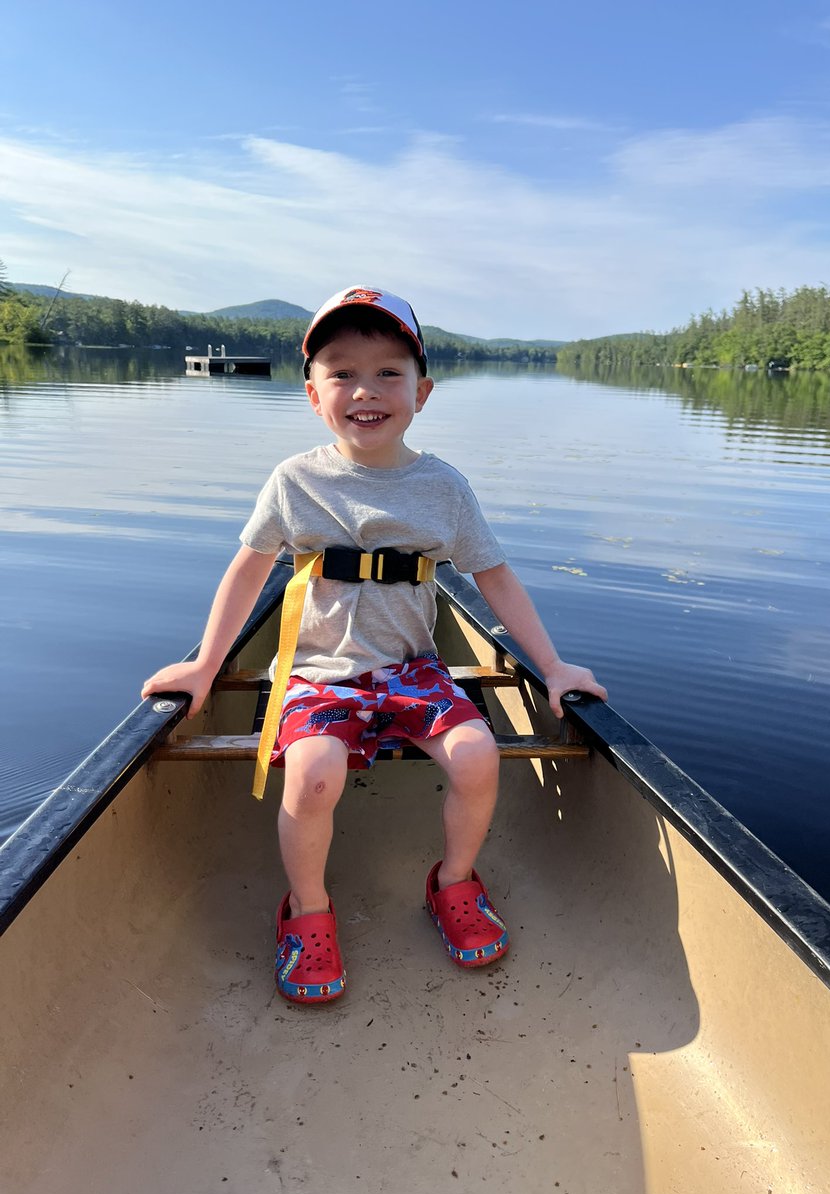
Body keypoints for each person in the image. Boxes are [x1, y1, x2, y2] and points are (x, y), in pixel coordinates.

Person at [142, 285, 607, 1005]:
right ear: (312, 393)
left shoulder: (443, 489)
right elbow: (246, 572)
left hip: (411, 668)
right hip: (319, 671)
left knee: (480, 755)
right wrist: (207, 665)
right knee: (315, 772)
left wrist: (552, 665)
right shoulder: (295, 481)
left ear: (423, 392)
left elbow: (498, 580)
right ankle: (307, 911)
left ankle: (452, 883)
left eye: (389, 372)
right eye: (342, 372)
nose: (366, 390)